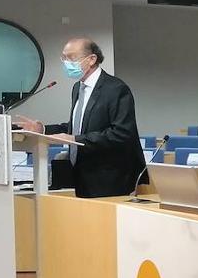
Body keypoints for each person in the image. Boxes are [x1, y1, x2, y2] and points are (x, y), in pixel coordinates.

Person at [15, 38, 144, 198]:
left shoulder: (116, 89)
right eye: (64, 58)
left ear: (92, 59)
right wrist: (42, 129)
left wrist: (75, 139)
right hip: (81, 174)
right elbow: (78, 126)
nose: (66, 63)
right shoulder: (78, 88)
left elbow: (122, 133)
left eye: (71, 58)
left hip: (109, 176)